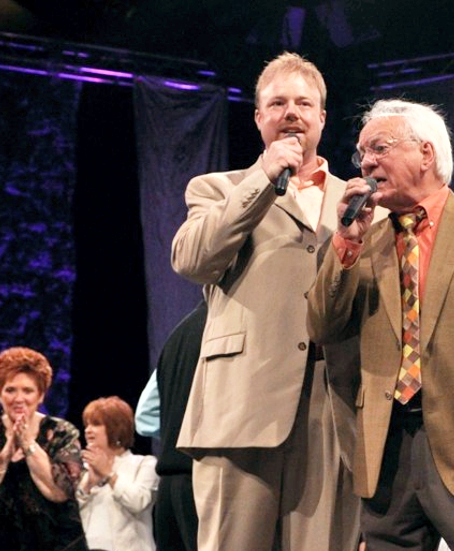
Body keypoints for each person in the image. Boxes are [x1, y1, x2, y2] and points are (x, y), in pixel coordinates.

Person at [306, 98, 454, 551]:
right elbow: (322, 327)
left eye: (379, 147)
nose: (367, 162)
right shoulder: (361, 242)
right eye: (362, 153)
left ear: (426, 153)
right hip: (385, 451)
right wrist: (345, 243)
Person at [170, 51, 361, 551]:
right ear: (258, 118)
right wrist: (262, 179)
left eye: (304, 103)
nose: (291, 112)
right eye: (277, 103)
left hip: (330, 412)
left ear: (323, 116)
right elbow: (191, 261)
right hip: (240, 406)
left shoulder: (359, 200)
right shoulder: (218, 188)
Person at [0, 347, 88, 551]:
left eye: (28, 390)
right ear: (0, 395)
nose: (19, 398)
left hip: (58, 542)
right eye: (10, 390)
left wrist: (28, 445)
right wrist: (6, 453)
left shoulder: (62, 432)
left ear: (41, 396)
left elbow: (60, 493)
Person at [133, 301, 206, 551]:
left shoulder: (177, 335)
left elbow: (144, 416)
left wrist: (175, 431)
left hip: (168, 486)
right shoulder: (222, 328)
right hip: (201, 477)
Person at [77, 396, 159, 551]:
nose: (88, 430)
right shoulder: (84, 468)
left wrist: (108, 474)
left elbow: (138, 502)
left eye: (96, 424)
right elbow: (71, 515)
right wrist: (87, 485)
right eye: (87, 424)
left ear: (116, 428)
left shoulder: (144, 464)